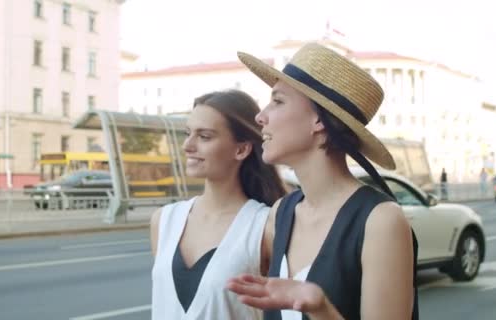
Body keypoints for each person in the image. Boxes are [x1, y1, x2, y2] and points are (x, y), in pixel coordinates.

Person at [226, 43, 418, 320]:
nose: (260, 116)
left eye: (277, 101)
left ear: (318, 120)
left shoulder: (380, 220)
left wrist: (321, 309)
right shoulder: (282, 212)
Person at [149, 90, 287, 319]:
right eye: (188, 133)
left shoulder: (265, 225)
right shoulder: (163, 220)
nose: (187, 145)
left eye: (204, 136)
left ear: (241, 149)